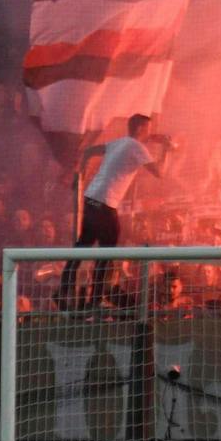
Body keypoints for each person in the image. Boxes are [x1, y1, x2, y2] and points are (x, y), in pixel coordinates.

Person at [60, 114, 174, 309]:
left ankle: (64, 292)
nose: (150, 133)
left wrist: (82, 174)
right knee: (107, 252)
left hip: (91, 199)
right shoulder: (136, 147)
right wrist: (166, 150)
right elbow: (160, 173)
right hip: (105, 203)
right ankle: (95, 300)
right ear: (140, 129)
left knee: (83, 245)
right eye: (148, 129)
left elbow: (89, 151)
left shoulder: (120, 142)